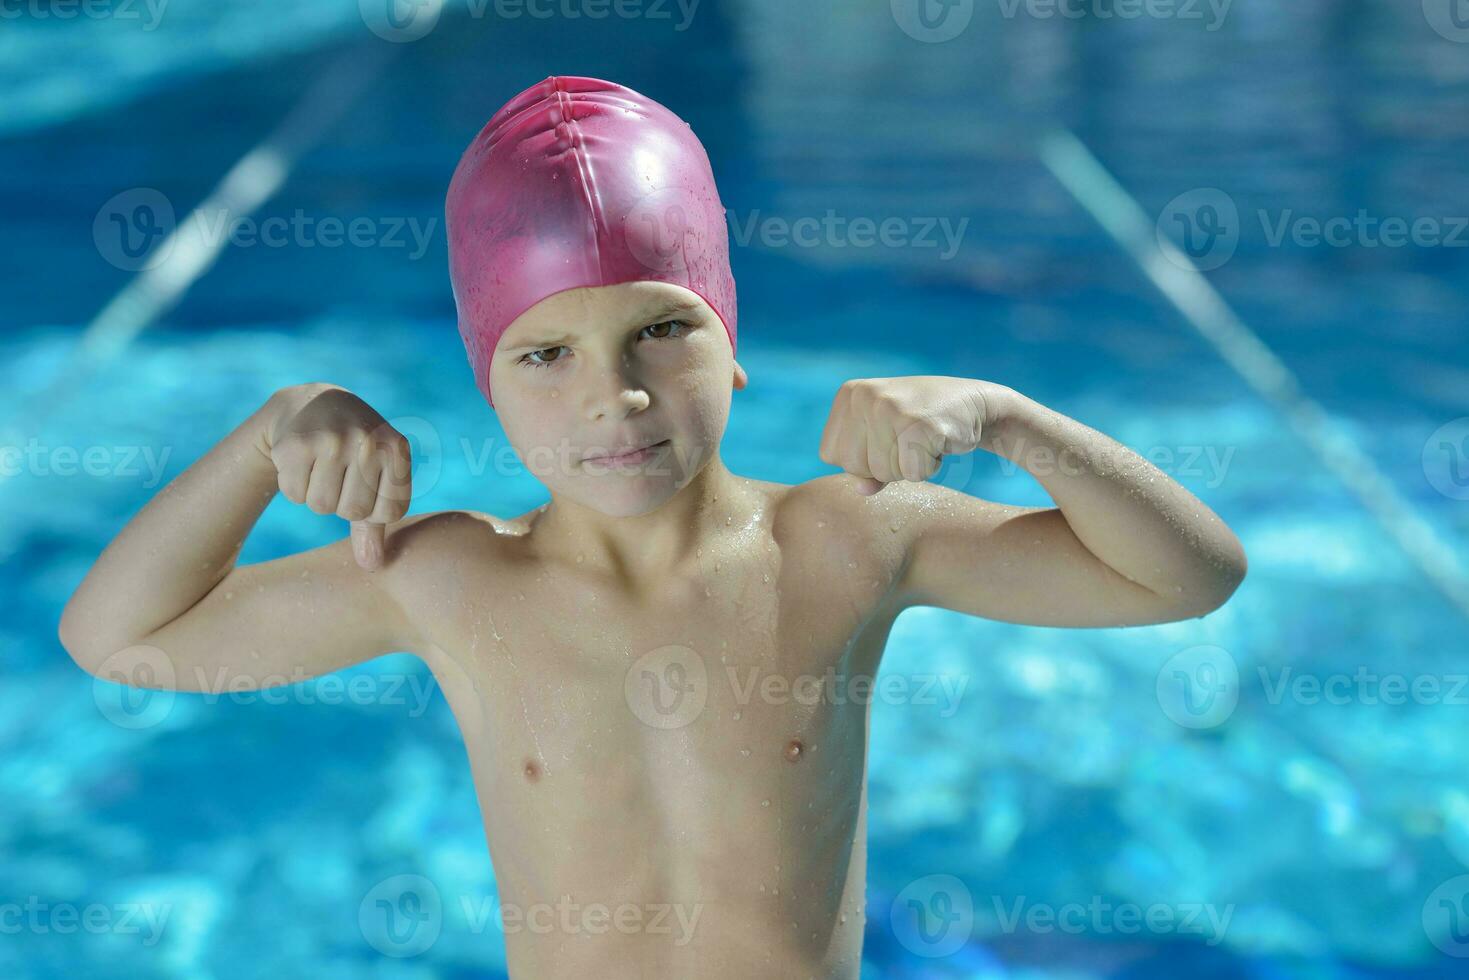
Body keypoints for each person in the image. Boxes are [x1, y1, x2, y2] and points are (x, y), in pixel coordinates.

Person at [57, 75, 1247, 978]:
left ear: (734, 346)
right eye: (544, 353)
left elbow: (1186, 575)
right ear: (486, 380)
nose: (613, 396)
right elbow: (120, 636)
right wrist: (266, 437)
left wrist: (1006, 415)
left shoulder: (845, 541)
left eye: (661, 330)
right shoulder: (450, 578)